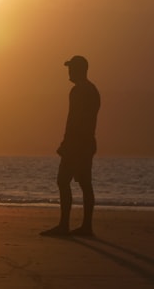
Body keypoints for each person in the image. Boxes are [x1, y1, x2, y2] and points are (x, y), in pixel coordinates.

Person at [41, 55, 100, 237]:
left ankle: (64, 225)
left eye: (71, 68)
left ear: (79, 70)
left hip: (76, 144)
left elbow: (73, 120)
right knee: (85, 184)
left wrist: (66, 144)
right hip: (88, 143)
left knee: (63, 181)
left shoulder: (78, 91)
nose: (69, 72)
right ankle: (87, 227)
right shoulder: (93, 90)